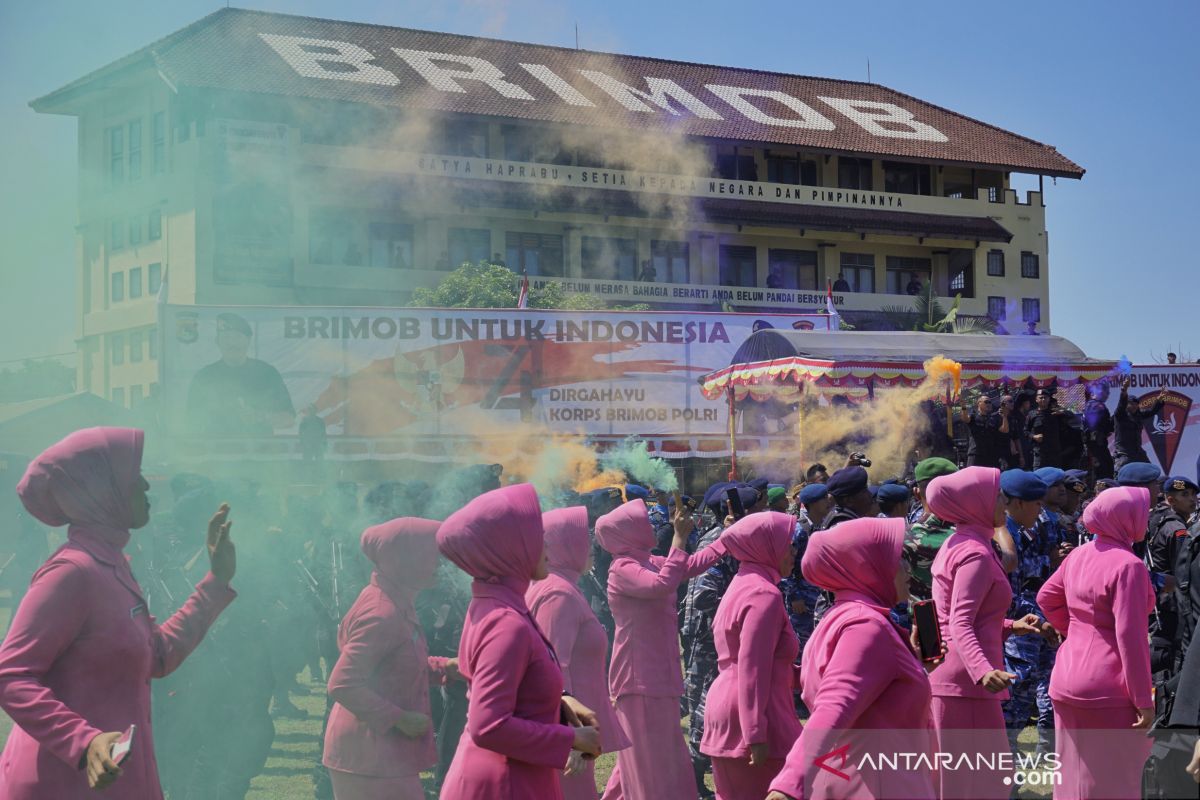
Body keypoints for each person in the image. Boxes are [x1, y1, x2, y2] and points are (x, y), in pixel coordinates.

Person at [0, 427, 237, 799]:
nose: (145, 486)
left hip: (112, 779)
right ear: (100, 490)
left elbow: (157, 655)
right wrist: (83, 742)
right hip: (63, 784)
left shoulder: (111, 565)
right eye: (133, 477)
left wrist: (216, 581)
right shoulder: (72, 573)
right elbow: (11, 674)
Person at [436, 484, 601, 800]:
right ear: (510, 548)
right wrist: (570, 738)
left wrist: (562, 700)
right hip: (503, 784)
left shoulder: (497, 600)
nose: (546, 544)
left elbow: (518, 681)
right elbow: (489, 726)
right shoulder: (505, 621)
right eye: (536, 537)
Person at [766, 518, 941, 800]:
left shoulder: (840, 615)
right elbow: (834, 705)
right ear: (867, 566)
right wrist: (789, 782)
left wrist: (911, 665)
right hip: (877, 784)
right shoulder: (866, 626)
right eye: (895, 559)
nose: (907, 569)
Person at [924, 467, 1044, 800]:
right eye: (997, 496)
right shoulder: (974, 552)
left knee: (968, 780)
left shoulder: (963, 542)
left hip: (959, 678)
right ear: (975, 502)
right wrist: (983, 671)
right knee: (974, 783)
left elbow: (960, 617)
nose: (1004, 503)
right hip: (966, 684)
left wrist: (1009, 626)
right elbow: (959, 621)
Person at [596, 497, 729, 800]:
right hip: (639, 678)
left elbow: (687, 566)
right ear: (627, 532)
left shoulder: (646, 561)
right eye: (643, 522)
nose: (652, 525)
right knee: (648, 761)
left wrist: (727, 538)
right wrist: (680, 538)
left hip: (658, 675)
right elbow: (661, 586)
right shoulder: (623, 568)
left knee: (645, 759)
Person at [322, 517, 457, 799]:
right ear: (405, 561)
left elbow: (396, 664)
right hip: (368, 758)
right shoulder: (383, 613)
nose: (441, 564)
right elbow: (342, 683)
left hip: (379, 756)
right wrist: (400, 718)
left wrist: (446, 667)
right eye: (432, 555)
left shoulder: (393, 600)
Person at [1037, 487, 1156, 800]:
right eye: (1141, 510)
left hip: (1066, 676)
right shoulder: (1129, 566)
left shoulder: (1078, 554)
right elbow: (1130, 637)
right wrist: (1144, 700)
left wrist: (1073, 631)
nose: (1146, 515)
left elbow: (1045, 597)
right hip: (1109, 686)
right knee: (1113, 783)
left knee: (1071, 777)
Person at [526, 507, 631, 800]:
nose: (590, 545)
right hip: (568, 735)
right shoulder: (558, 593)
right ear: (562, 543)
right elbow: (552, 668)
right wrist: (569, 738)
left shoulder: (560, 586)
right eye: (581, 536)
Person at [700, 512, 802, 799]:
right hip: (755, 716)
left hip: (733, 710)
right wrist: (755, 733)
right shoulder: (763, 594)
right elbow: (752, 667)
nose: (793, 551)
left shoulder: (743, 582)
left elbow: (763, 663)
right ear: (765, 547)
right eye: (787, 544)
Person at [1000, 469, 1063, 753]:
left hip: (1029, 626)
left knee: (1021, 706)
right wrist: (1041, 617)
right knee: (1010, 708)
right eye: (1036, 504)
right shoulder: (1004, 538)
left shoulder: (1021, 532)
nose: (1040, 510)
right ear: (1017, 503)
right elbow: (1009, 597)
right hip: (1017, 630)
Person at [185, 313, 295, 435]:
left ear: (248, 341)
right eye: (226, 337)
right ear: (217, 341)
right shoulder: (204, 377)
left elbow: (289, 420)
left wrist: (261, 416)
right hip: (216, 452)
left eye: (237, 337)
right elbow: (190, 423)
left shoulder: (267, 373)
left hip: (260, 452)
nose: (232, 343)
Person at [1146, 476, 1199, 674]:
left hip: (1157, 602)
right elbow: (1184, 573)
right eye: (1184, 495)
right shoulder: (1177, 529)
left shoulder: (1158, 520)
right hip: (1171, 606)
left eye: (1194, 494)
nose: (1192, 499)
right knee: (1170, 664)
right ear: (1171, 500)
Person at [1112, 378, 1167, 470]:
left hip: (1138, 452)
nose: (1134, 406)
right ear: (1126, 404)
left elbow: (1152, 411)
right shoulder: (1120, 415)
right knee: (1120, 476)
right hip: (1124, 454)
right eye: (1131, 403)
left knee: (1150, 471)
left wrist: (1159, 399)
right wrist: (1124, 391)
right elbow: (1121, 404)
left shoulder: (1139, 415)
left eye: (1136, 404)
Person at [964, 395, 1010, 469]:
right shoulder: (973, 416)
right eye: (986, 402)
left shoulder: (992, 418)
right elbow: (965, 418)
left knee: (992, 479)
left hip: (990, 455)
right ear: (979, 403)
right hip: (976, 454)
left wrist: (1004, 416)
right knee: (972, 478)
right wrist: (963, 406)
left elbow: (1005, 430)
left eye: (990, 402)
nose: (989, 404)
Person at [1081, 383, 1115, 479]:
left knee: (1105, 468)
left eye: (1108, 392)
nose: (1107, 394)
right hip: (1096, 445)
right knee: (1103, 471)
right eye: (1105, 392)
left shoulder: (1092, 405)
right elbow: (1094, 426)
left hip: (1096, 444)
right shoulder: (1097, 406)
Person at [1026, 388, 1063, 469]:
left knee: (1055, 477)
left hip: (1054, 453)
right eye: (1041, 397)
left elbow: (1071, 417)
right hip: (1039, 453)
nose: (1043, 399)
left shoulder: (1055, 413)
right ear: (1036, 399)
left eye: (1045, 397)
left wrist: (1063, 412)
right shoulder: (1032, 414)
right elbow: (1025, 431)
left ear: (1049, 399)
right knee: (1038, 477)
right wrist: (1034, 436)